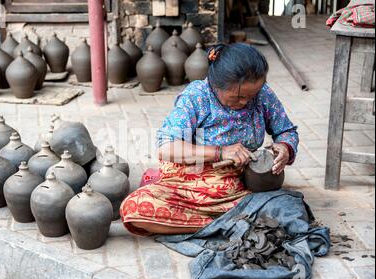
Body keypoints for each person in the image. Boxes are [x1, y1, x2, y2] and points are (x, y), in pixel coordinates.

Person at [119, 43, 299, 236]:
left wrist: (285, 147)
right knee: (134, 209)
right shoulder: (197, 97)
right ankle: (226, 224)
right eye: (238, 97)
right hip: (192, 182)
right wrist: (220, 152)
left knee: (291, 211)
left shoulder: (262, 94)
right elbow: (167, 148)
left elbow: (287, 130)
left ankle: (225, 222)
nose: (246, 102)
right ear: (216, 85)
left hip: (243, 184)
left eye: (251, 95)